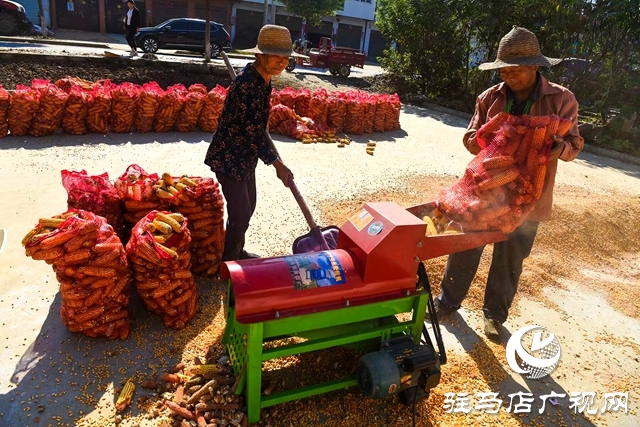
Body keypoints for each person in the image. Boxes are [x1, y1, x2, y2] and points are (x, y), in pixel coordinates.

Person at [434, 26, 584, 339]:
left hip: (529, 196)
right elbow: (470, 137)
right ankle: (447, 302)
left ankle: (493, 317)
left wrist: (560, 148)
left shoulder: (561, 100)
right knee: (465, 245)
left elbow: (575, 143)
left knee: (510, 258)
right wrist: (483, 139)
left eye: (515, 71)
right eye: (504, 71)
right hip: (484, 192)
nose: (508, 77)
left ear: (535, 67)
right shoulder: (490, 98)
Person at [204, 25, 298, 262]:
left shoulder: (264, 80)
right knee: (241, 212)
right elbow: (253, 133)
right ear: (261, 54)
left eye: (286, 58)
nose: (282, 62)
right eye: (276, 56)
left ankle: (237, 249)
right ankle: (227, 263)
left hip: (246, 156)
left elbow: (256, 129)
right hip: (229, 156)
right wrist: (277, 165)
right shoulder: (247, 84)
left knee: (248, 207)